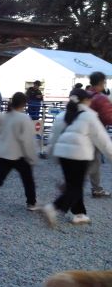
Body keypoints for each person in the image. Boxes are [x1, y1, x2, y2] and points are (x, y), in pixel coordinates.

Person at [43, 88, 112, 227]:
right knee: (75, 187)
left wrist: (53, 155)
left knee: (73, 185)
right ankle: (53, 208)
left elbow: (53, 138)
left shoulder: (61, 116)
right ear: (86, 100)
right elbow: (102, 140)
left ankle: (79, 213)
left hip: (63, 155)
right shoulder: (89, 116)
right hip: (80, 155)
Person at [0, 92, 40, 212]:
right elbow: (27, 141)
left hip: (1, 152)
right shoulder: (24, 118)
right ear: (24, 104)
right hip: (18, 154)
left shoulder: (3, 115)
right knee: (28, 180)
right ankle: (31, 202)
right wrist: (32, 157)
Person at [86, 71, 112, 198]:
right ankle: (74, 185)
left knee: (92, 160)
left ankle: (96, 188)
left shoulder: (84, 95)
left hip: (80, 132)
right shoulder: (100, 98)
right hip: (96, 133)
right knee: (93, 162)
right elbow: (108, 118)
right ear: (102, 82)